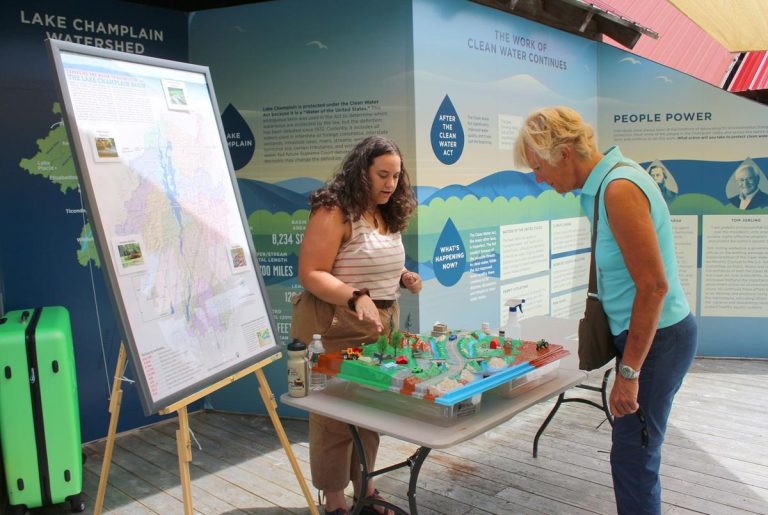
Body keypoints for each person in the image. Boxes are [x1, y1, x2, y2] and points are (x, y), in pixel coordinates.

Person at [513, 107, 697, 515]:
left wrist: (628, 373)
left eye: (539, 167)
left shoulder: (619, 189)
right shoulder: (602, 186)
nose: (539, 179)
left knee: (634, 456)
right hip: (645, 337)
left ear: (563, 152)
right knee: (633, 452)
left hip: (658, 340)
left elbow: (654, 286)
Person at [293, 135, 422, 515]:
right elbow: (311, 272)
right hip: (336, 323)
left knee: (371, 408)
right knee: (334, 415)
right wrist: (355, 295)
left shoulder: (386, 210)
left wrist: (401, 277)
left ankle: (366, 485)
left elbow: (370, 260)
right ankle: (334, 500)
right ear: (360, 170)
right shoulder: (334, 209)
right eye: (382, 174)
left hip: (378, 325)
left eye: (396, 176)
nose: (390, 184)